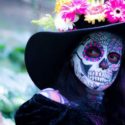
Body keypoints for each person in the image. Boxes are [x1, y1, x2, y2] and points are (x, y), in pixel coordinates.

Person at [15, 0, 125, 124]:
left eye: (113, 57)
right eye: (93, 52)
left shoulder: (118, 112)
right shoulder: (50, 106)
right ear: (72, 57)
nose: (104, 64)